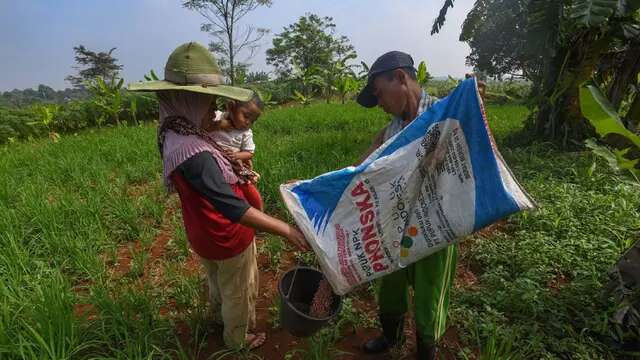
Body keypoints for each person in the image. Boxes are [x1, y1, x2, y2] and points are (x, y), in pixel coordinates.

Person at [129, 42, 308, 351]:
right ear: (186, 100)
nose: (214, 111)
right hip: (226, 236)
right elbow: (233, 207)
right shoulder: (194, 153)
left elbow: (211, 174)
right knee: (237, 291)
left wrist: (232, 162)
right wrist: (287, 229)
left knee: (217, 280)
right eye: (208, 103)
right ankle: (238, 339)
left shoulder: (175, 129)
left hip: (203, 233)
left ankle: (217, 318)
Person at [356, 51, 469, 359]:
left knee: (429, 294)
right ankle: (390, 337)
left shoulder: (445, 112)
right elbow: (362, 166)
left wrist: (473, 103)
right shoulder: (391, 129)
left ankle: (425, 350)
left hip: (436, 226)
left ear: (401, 78)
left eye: (379, 93)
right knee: (390, 284)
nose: (379, 102)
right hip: (396, 223)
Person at [206, 94, 263, 206]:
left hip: (235, 165)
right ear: (231, 107)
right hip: (212, 163)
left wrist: (237, 156)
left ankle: (258, 211)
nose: (248, 123)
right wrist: (219, 125)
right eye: (246, 116)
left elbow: (249, 153)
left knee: (251, 191)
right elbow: (203, 128)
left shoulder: (246, 132)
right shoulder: (217, 117)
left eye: (253, 121)